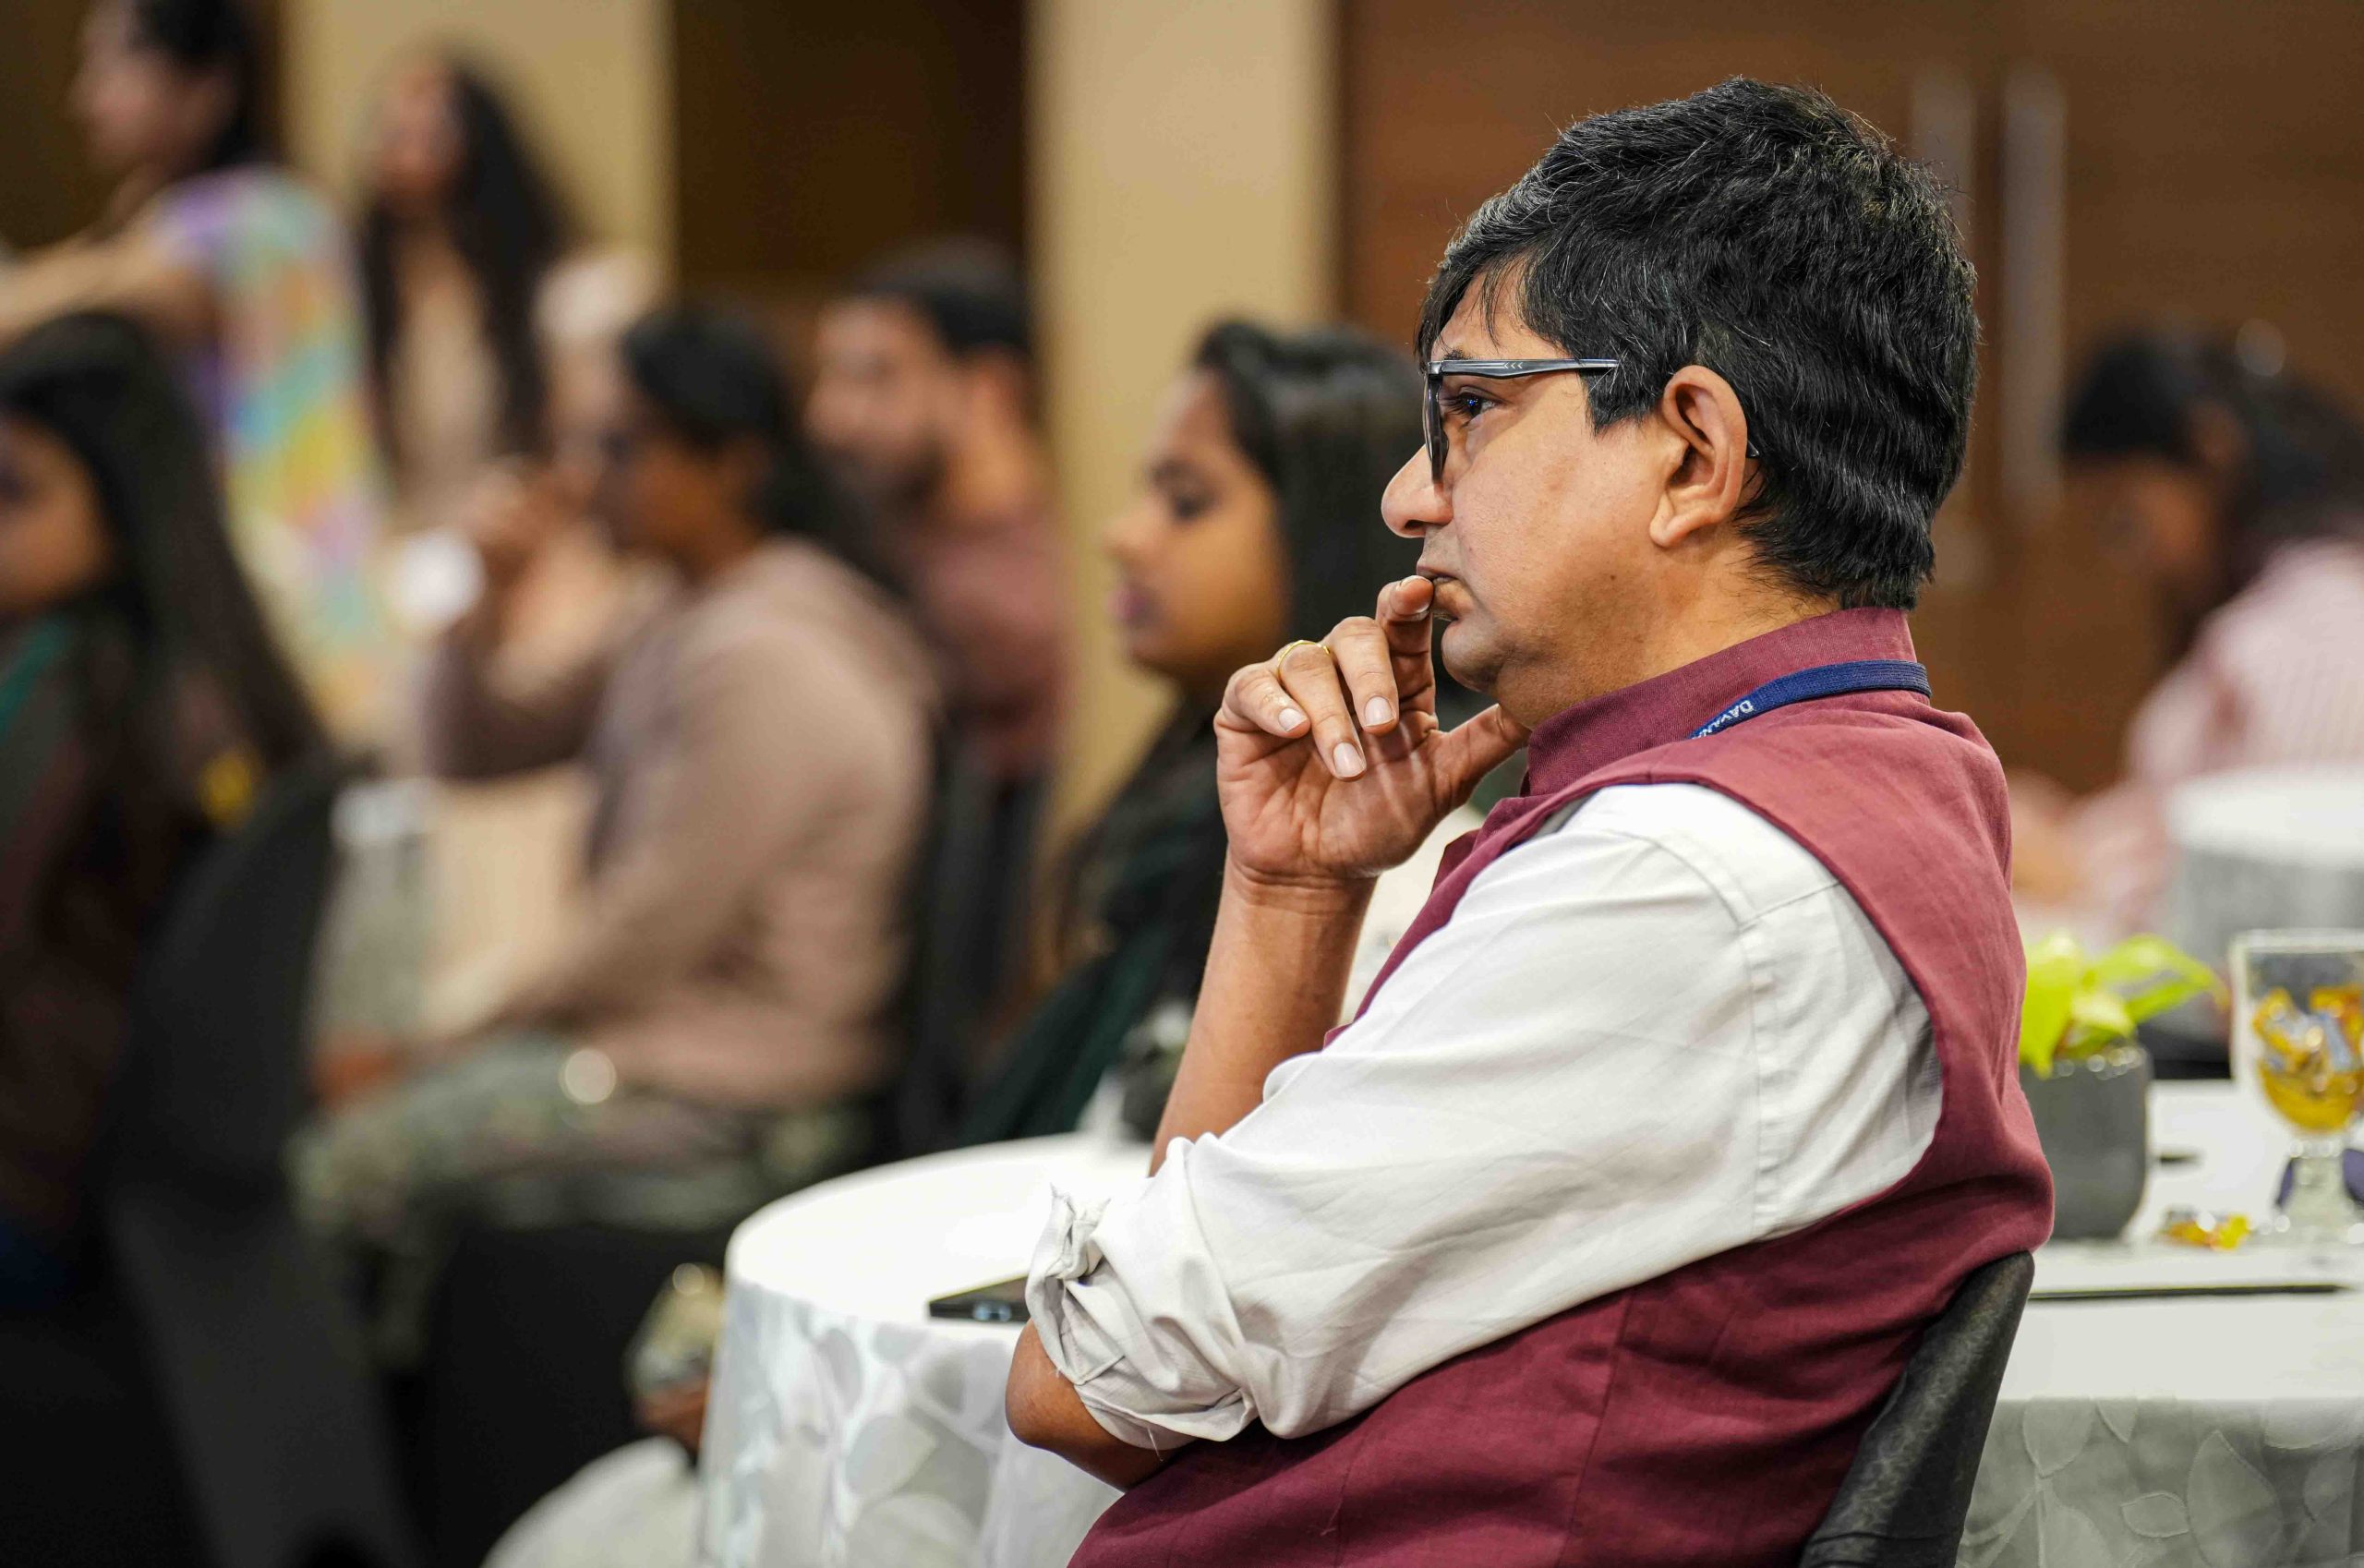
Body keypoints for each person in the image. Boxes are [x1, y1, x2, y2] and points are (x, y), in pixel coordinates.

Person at [1005, 78, 2053, 1565]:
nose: (1407, 497)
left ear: (1692, 453)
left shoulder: (1674, 890)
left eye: (1471, 413)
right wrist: (1296, 889)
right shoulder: (1886, 765)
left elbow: (1095, 1381)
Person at [296, 305, 937, 1349]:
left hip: (743, 1095)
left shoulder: (762, 651)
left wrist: (434, 1049)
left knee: (340, 1168)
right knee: (364, 1145)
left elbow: (651, 928)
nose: (587, 476)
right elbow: (477, 747)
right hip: (659, 1045)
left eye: (623, 447)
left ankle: (332, 1443)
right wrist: (492, 595)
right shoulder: (679, 608)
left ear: (732, 464)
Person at [950, 319, 1437, 1146]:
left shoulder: (1392, 853)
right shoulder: (1181, 799)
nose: (1123, 537)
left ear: (1326, 533)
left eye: (1186, 502)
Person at [0, 312, 322, 1307]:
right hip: (144, 1191)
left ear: (120, 496)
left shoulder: (74, 686)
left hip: (35, 1175)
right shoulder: (216, 674)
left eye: (14, 492)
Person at [0, 0, 392, 740]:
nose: (86, 97)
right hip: (325, 582)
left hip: (280, 591)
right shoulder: (289, 206)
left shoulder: (240, 223)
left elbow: (69, 296)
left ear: (208, 87)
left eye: (115, 64)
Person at [2011, 331, 2364, 930]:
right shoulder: (2273, 610)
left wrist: (2078, 871)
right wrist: (2075, 827)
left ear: (2210, 451)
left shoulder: (2313, 626)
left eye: (2127, 516)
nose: (2126, 556)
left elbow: (2282, 892)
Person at [806, 238, 1065, 787]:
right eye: (828, 377)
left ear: (990, 390)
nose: (828, 417)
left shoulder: (1002, 613)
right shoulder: (897, 533)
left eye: (875, 376)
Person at [356, 51, 572, 531]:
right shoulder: (359, 288)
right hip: (398, 537)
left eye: (430, 134)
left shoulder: (554, 295)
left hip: (509, 531)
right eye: (392, 133)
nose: (405, 157)